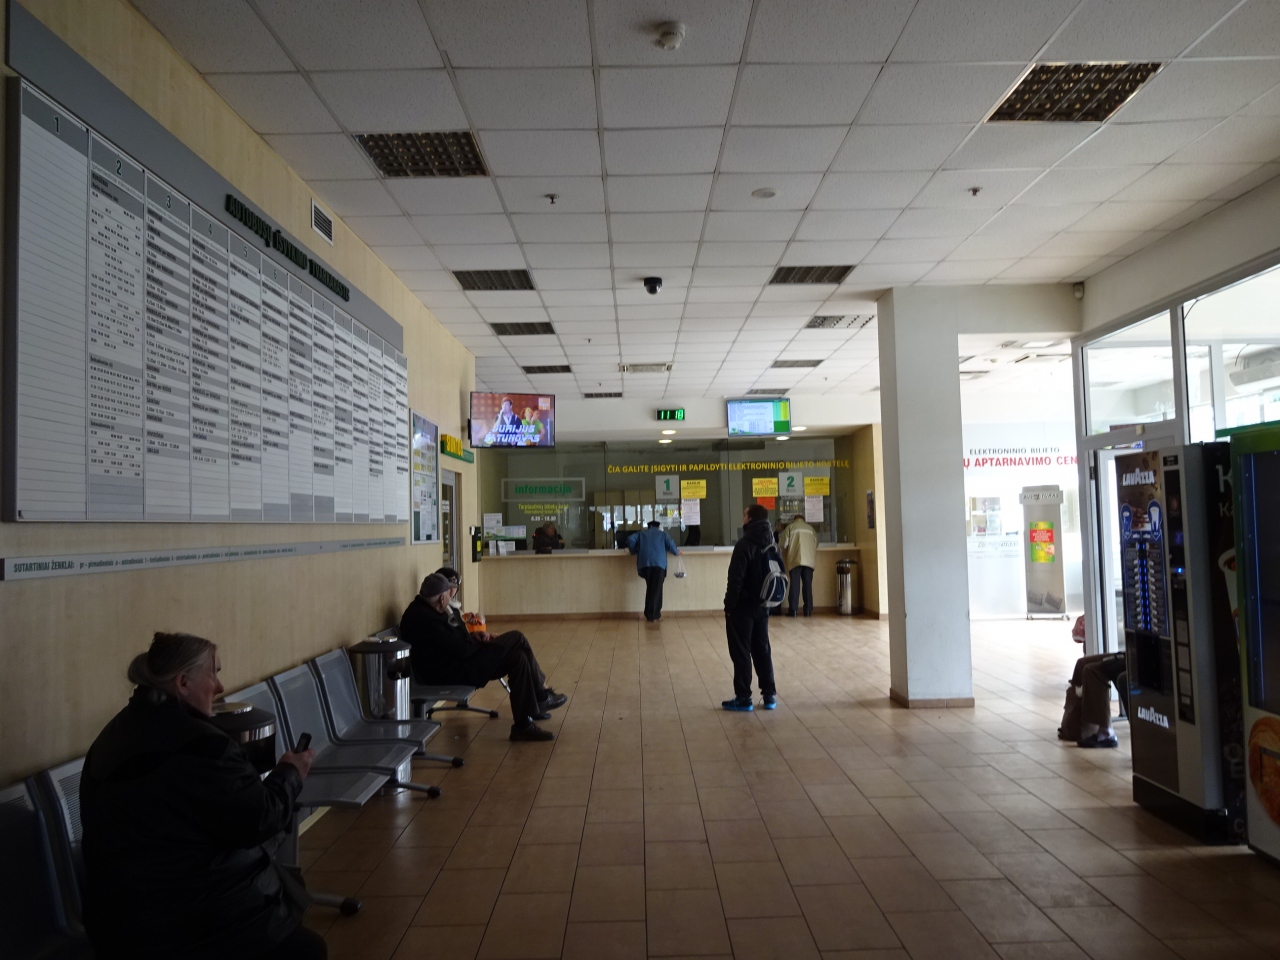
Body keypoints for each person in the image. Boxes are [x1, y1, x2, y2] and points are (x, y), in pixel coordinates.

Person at [81, 633, 324, 960]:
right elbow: (260, 820)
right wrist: (290, 773)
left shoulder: (111, 736)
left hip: (118, 919)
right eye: (214, 673)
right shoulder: (203, 746)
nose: (220, 687)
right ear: (182, 682)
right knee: (308, 949)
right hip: (187, 923)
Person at [400, 573, 566, 741]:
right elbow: (461, 650)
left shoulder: (425, 609)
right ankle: (541, 695)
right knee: (517, 637)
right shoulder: (427, 620)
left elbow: (453, 643)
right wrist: (476, 641)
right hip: (448, 673)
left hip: (456, 664)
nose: (450, 599)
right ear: (442, 599)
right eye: (448, 596)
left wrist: (474, 636)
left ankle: (523, 725)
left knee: (518, 657)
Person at [722, 503, 779, 711]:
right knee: (762, 649)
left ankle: (743, 698)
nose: (742, 517)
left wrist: (729, 605)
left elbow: (735, 579)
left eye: (745, 514)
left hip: (743, 607)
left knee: (741, 651)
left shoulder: (744, 544)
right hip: (764, 605)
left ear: (750, 519)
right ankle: (769, 696)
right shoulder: (772, 542)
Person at [627, 519, 680, 622]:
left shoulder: (641, 534)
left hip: (645, 565)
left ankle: (649, 614)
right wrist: (676, 552)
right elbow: (671, 545)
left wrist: (634, 551)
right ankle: (654, 615)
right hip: (659, 565)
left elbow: (630, 539)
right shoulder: (663, 534)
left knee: (651, 588)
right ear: (658, 526)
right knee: (656, 590)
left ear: (648, 526)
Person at [780, 513, 818, 617]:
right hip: (809, 561)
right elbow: (816, 544)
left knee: (794, 585)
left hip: (795, 559)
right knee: (807, 586)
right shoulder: (810, 528)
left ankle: (793, 610)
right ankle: (808, 610)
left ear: (794, 519)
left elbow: (783, 544)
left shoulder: (790, 527)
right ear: (803, 520)